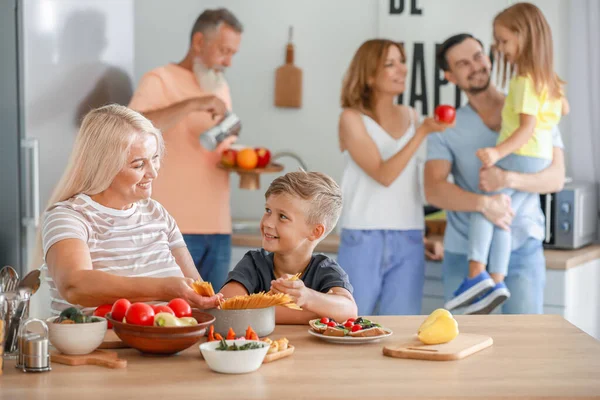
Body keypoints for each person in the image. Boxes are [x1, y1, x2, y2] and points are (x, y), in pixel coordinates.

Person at [425, 32, 566, 315]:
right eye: (463, 63)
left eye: (478, 56)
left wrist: (508, 180)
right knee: (463, 347)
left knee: (523, 349)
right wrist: (485, 204)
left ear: (488, 57)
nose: (475, 66)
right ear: (450, 76)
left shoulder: (529, 108)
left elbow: (556, 177)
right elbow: (434, 189)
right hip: (464, 253)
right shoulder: (447, 126)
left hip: (522, 248)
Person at [40, 105, 222, 316]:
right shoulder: (69, 216)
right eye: (138, 165)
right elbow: (75, 285)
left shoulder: (157, 214)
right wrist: (164, 288)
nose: (153, 172)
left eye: (154, 158)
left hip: (168, 347)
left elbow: (198, 293)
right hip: (97, 348)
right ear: (104, 166)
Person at [128, 8, 243, 291]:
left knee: (214, 315)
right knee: (172, 315)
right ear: (199, 42)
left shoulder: (219, 85)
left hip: (218, 227)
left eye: (232, 53)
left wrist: (238, 154)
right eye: (223, 50)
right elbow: (132, 130)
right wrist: (193, 103)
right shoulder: (159, 79)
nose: (228, 61)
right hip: (171, 226)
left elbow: (216, 148)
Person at [335, 39, 452, 316]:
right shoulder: (351, 119)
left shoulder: (412, 116)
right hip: (362, 236)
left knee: (401, 330)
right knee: (350, 325)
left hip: (409, 236)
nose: (402, 69)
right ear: (370, 74)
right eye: (390, 63)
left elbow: (409, 184)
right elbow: (384, 174)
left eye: (402, 61)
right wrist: (422, 132)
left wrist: (427, 236)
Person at [220, 171, 358, 324]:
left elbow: (349, 311)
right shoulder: (254, 263)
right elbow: (227, 305)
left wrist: (307, 297)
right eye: (268, 211)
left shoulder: (326, 270)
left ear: (315, 232)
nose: (267, 223)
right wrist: (317, 315)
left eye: (283, 217)